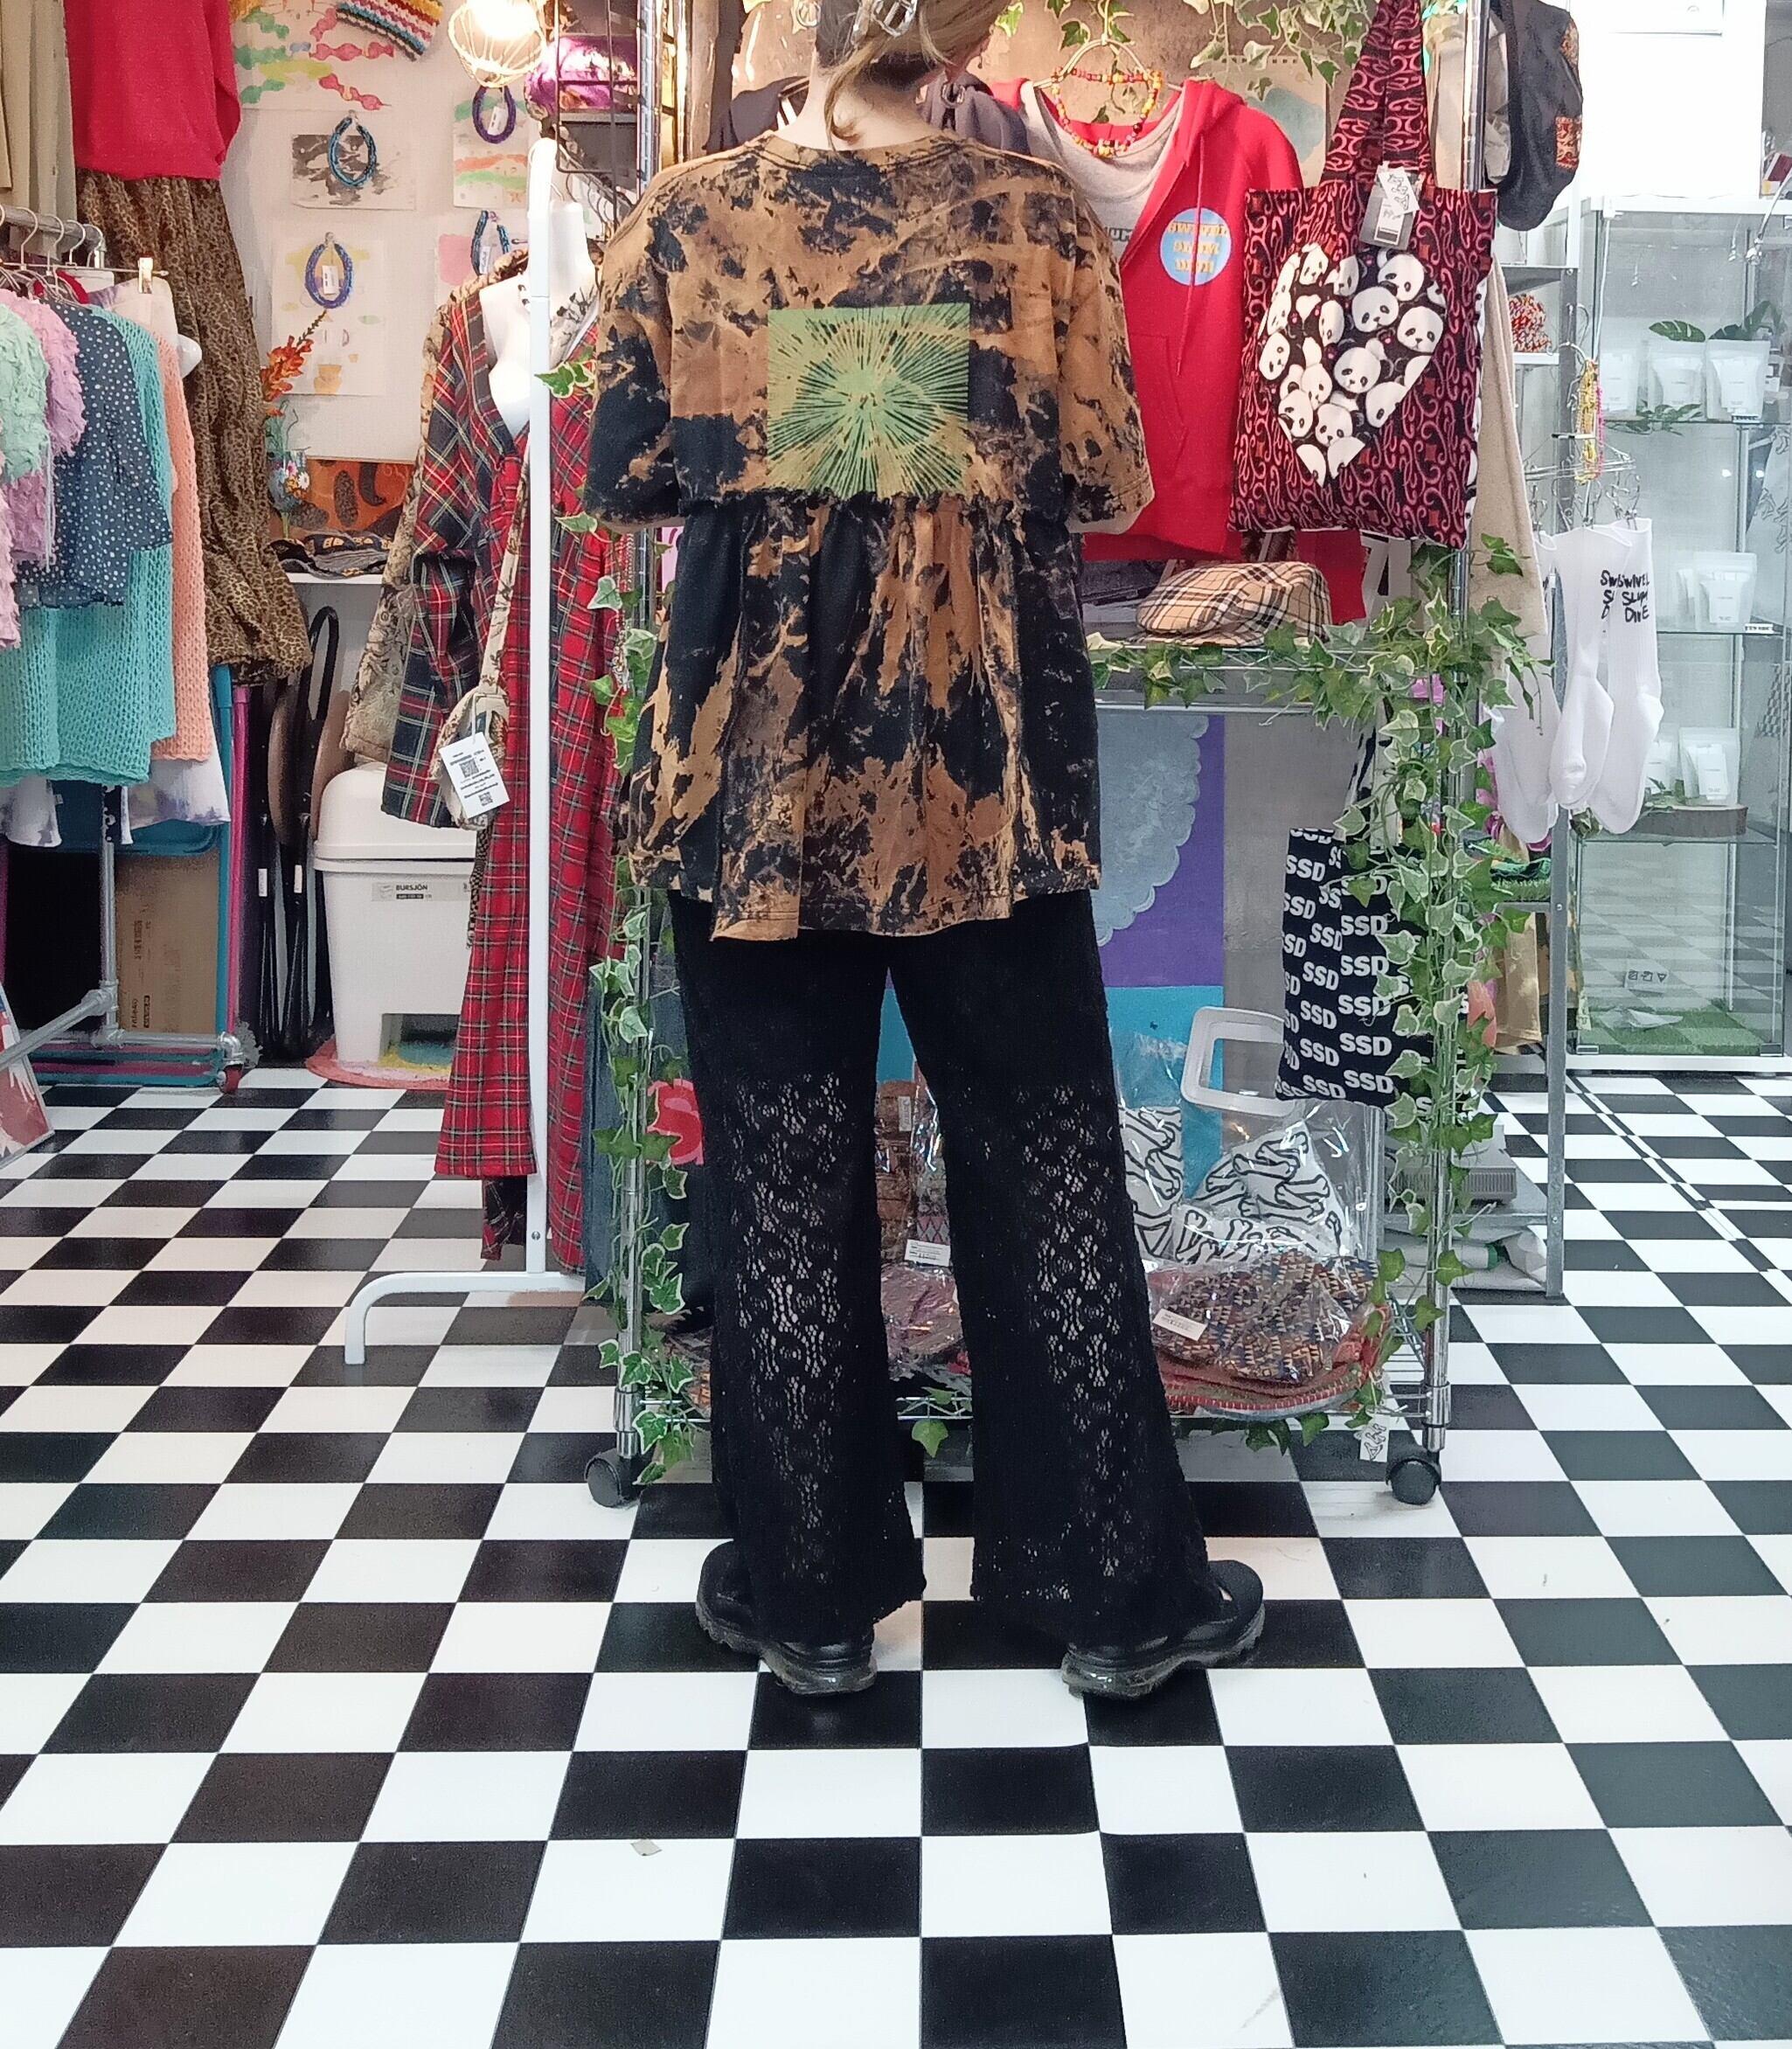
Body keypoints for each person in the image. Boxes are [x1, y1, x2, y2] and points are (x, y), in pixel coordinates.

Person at [583, 0, 1265, 1700]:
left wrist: (801, 430)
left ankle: (808, 1599)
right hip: (981, 774)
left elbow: (632, 471)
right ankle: (1113, 1594)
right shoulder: (1032, 218)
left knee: (779, 1170)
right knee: (1041, 1161)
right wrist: (929, 434)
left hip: (754, 780)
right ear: (949, 46)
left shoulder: (682, 217)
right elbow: (1103, 474)